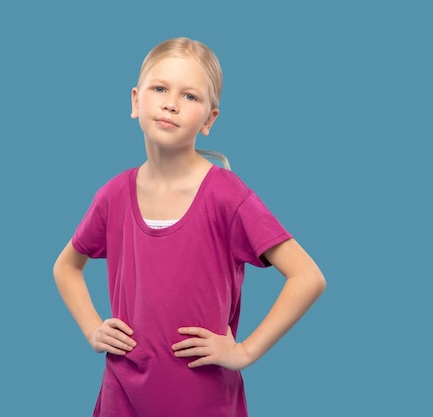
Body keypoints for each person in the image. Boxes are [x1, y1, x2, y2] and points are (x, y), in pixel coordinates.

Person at [53, 37, 326, 417]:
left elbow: (307, 277)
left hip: (203, 397)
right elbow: (65, 266)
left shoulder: (228, 196)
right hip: (123, 397)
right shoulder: (113, 195)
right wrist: (91, 328)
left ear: (209, 119)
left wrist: (244, 351)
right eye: (160, 88)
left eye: (190, 96)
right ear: (135, 101)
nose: (170, 103)